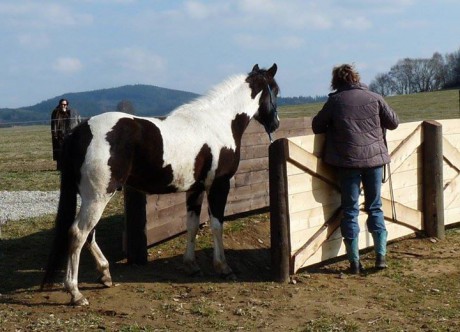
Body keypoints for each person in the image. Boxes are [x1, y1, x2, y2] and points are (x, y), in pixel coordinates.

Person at [312, 64, 399, 274]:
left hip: (348, 162)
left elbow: (316, 126)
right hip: (375, 162)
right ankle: (380, 257)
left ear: (336, 81)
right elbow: (394, 122)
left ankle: (354, 263)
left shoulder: (335, 101)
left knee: (350, 211)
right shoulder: (375, 97)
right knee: (375, 207)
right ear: (356, 78)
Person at [50, 98, 81, 170]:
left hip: (68, 134)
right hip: (59, 134)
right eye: (62, 104)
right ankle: (60, 167)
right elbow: (54, 124)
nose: (63, 106)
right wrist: (55, 134)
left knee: (69, 150)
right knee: (59, 151)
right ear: (59, 104)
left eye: (65, 104)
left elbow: (74, 122)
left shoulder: (70, 112)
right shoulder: (56, 113)